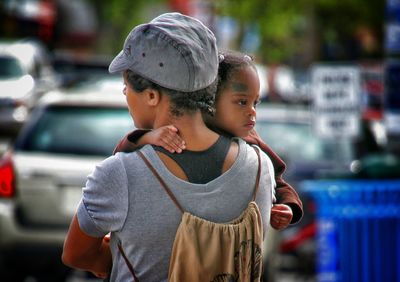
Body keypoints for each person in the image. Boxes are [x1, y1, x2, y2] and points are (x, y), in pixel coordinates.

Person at [62, 13, 275, 281]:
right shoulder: (259, 168)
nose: (125, 94)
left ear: (151, 95)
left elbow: (76, 255)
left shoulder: (120, 174)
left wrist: (115, 255)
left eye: (126, 86)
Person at [113, 50, 303, 230]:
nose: (252, 111)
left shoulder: (253, 144)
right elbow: (122, 152)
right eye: (242, 102)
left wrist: (288, 207)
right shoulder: (183, 132)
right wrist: (148, 137)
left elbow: (279, 180)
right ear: (210, 100)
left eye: (256, 102)